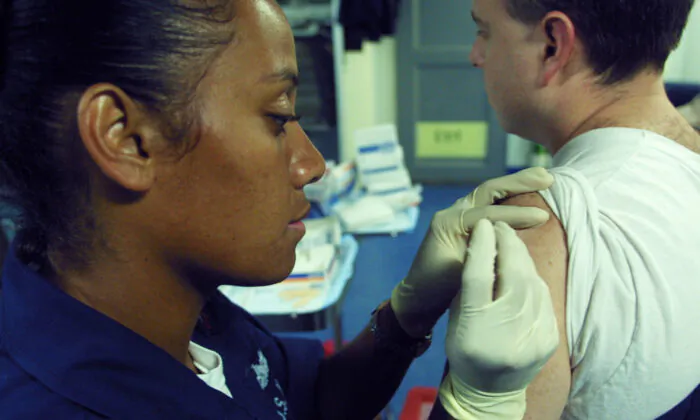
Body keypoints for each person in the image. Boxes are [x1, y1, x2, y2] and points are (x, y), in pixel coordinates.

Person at [0, 0, 560, 418]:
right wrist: (476, 406)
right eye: (277, 117)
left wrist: (405, 314)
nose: (312, 164)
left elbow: (309, 400)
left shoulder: (184, 313)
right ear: (128, 139)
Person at [437, 0, 700, 419]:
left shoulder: (537, 228)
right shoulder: (690, 159)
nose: (476, 55)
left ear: (552, 46)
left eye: (484, 31)